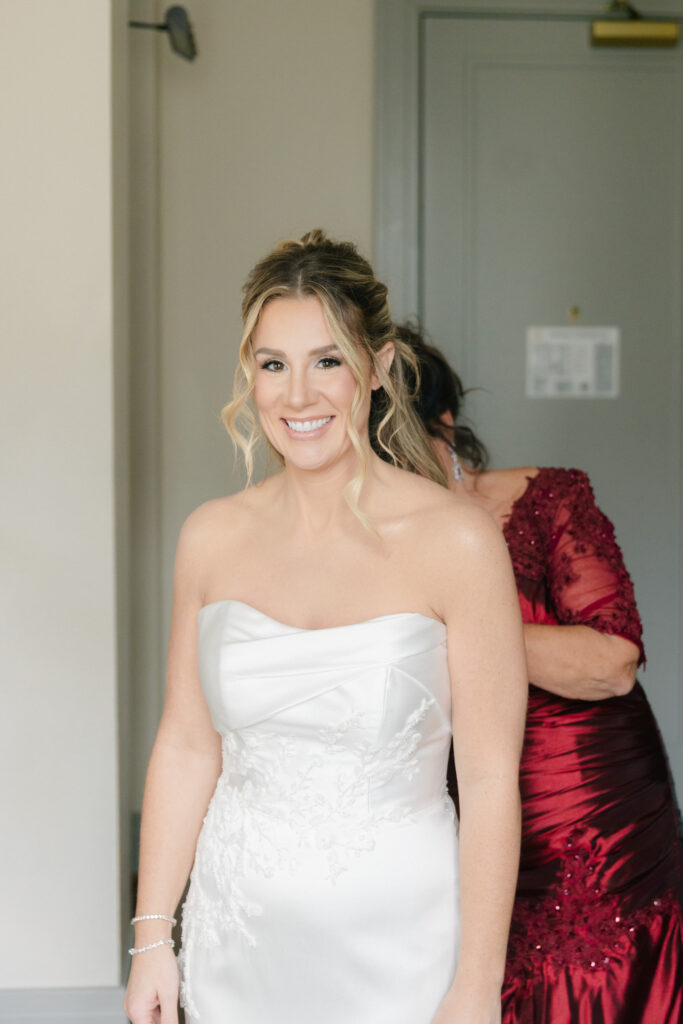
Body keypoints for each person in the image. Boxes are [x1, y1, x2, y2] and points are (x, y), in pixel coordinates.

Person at [123, 231, 528, 1024]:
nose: (298, 396)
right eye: (273, 364)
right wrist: (150, 940)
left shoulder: (456, 540)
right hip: (235, 940)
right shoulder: (210, 536)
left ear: (376, 368)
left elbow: (486, 780)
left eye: (327, 361)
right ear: (250, 374)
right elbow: (184, 744)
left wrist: (475, 983)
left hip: (400, 945)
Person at [396, 322, 683, 1024]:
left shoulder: (546, 497)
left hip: (594, 803)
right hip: (465, 808)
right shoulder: (378, 542)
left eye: (409, 444)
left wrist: (461, 621)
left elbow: (611, 663)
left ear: (445, 422)